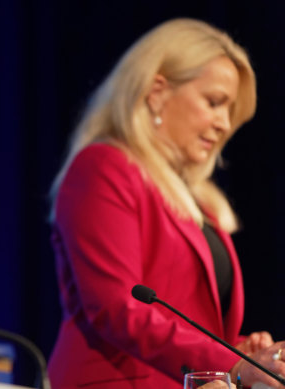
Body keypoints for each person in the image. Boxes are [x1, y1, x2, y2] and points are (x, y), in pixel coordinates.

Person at [48, 18, 285, 389]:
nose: (224, 123)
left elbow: (189, 318)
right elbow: (119, 309)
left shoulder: (199, 200)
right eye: (214, 102)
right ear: (157, 92)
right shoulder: (102, 167)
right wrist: (236, 363)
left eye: (229, 111)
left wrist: (242, 349)